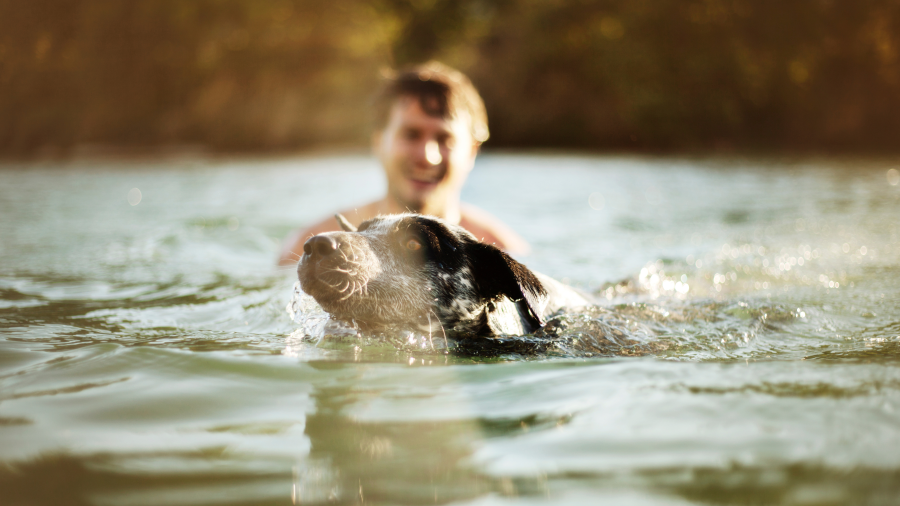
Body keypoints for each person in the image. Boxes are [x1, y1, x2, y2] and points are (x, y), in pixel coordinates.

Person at [278, 61, 529, 266]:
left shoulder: (504, 253)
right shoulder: (312, 250)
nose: (427, 156)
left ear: (472, 152)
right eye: (411, 134)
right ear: (378, 142)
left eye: (445, 139)